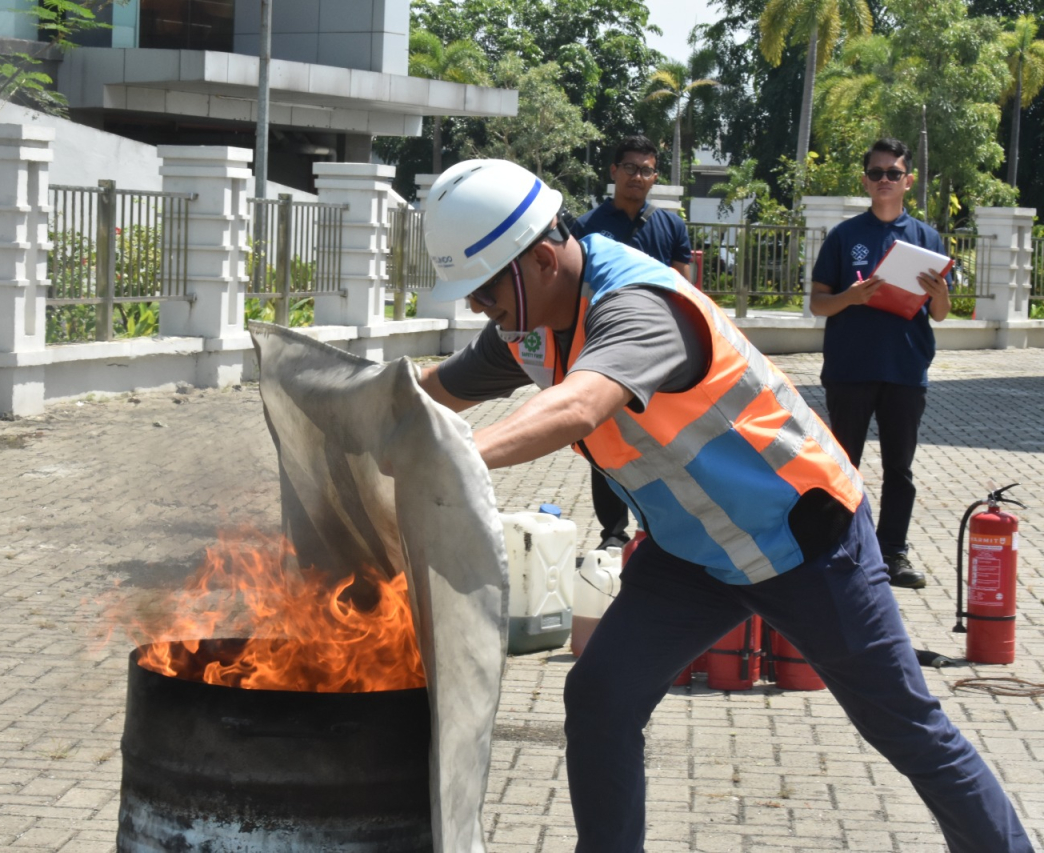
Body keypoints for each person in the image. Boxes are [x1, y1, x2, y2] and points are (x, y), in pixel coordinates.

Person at [418, 157, 1031, 853]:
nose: (475, 307)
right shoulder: (530, 325)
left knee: (904, 724)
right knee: (599, 697)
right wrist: (356, 403)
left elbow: (580, 405)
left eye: (483, 288)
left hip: (805, 541)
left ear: (539, 260)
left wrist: (456, 456)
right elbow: (437, 389)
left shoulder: (638, 306)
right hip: (695, 556)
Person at [810, 138, 951, 590]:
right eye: (876, 173)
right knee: (843, 463)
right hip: (850, 368)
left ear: (908, 180)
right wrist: (850, 298)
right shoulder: (844, 236)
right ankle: (840, 548)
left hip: (906, 369)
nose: (884, 181)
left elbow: (941, 313)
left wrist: (942, 294)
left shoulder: (927, 239)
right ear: (865, 180)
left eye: (893, 173)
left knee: (900, 470)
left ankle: (893, 553)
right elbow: (818, 305)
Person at [569, 135, 693, 550]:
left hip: (659, 354)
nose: (637, 177)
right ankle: (613, 533)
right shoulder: (586, 228)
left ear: (655, 176)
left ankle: (664, 531)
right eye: (630, 168)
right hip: (604, 351)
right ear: (613, 172)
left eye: (646, 170)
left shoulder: (670, 226)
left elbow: (684, 288)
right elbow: (575, 292)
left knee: (665, 442)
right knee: (606, 445)